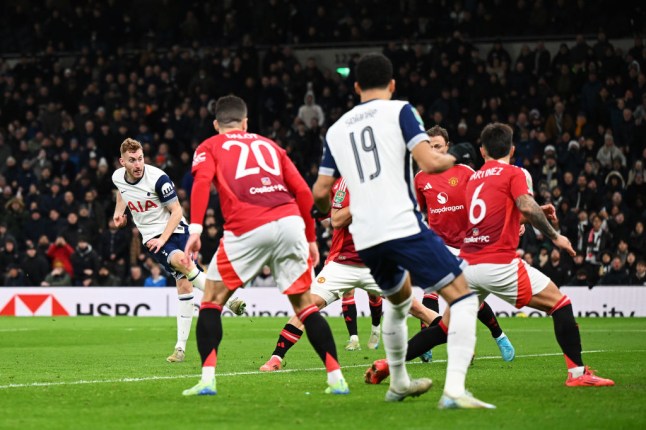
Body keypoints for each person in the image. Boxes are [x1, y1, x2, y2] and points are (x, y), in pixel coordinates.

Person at [313, 53, 491, 407]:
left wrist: (331, 212)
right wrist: (457, 158)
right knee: (464, 297)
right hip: (402, 225)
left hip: (366, 237)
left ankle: (399, 383)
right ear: (392, 85)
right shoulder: (402, 111)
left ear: (357, 87)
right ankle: (454, 390)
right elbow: (430, 162)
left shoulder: (336, 130)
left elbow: (320, 192)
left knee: (397, 302)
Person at [182, 95, 349, 396]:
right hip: (290, 223)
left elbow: (201, 182)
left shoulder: (209, 146)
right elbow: (302, 191)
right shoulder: (271, 146)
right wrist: (311, 238)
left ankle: (207, 380)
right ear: (246, 123)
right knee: (304, 306)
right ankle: (336, 378)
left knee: (211, 300)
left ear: (216, 124)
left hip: (247, 224)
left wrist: (195, 229)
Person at [458, 123, 613, 387]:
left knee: (442, 326)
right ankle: (577, 374)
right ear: (513, 148)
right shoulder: (514, 172)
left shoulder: (473, 178)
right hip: (498, 261)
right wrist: (556, 236)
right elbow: (526, 207)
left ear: (482, 151)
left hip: (468, 261)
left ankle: (389, 365)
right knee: (560, 303)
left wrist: (525, 216)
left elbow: (492, 215)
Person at [258, 177, 438, 372]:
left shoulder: (386, 183)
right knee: (307, 307)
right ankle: (276, 358)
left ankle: (458, 340)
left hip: (376, 264)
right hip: (342, 263)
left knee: (417, 309)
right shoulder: (346, 183)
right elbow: (336, 220)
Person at [112, 138, 246, 363]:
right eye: (132, 160)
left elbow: (176, 211)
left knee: (184, 273)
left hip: (175, 231)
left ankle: (222, 301)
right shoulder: (118, 177)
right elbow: (122, 191)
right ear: (122, 162)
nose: (138, 164)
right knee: (184, 280)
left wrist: (163, 240)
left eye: (141, 159)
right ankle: (181, 348)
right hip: (152, 236)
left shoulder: (158, 179)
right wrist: (119, 213)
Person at [413, 125, 515, 362]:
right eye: (429, 147)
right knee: (431, 290)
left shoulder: (466, 172)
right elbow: (417, 212)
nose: (434, 151)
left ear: (447, 147)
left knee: (469, 296)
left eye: (438, 146)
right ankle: (425, 342)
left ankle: (498, 335)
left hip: (467, 245)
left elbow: (489, 199)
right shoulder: (420, 177)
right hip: (439, 244)